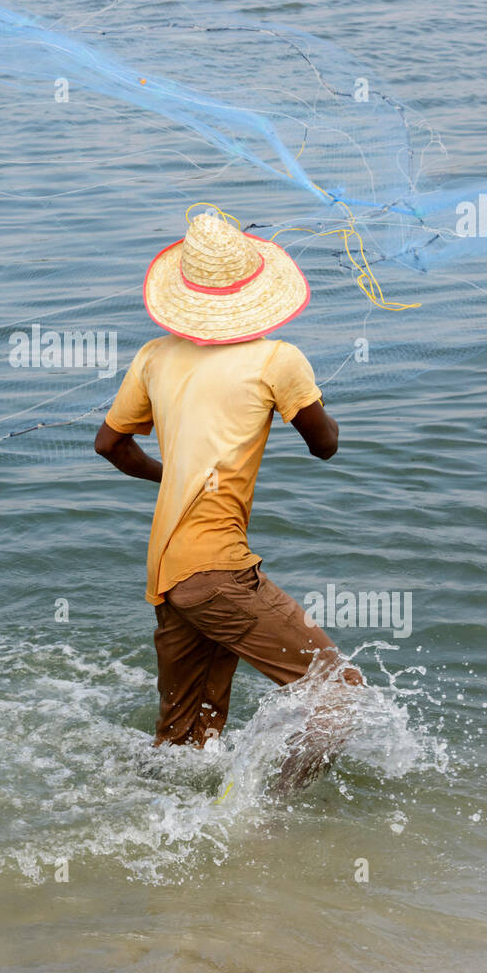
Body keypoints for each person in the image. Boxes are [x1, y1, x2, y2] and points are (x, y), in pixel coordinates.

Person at [94, 206, 362, 793]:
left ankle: (160, 835)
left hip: (169, 571)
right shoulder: (277, 359)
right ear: (257, 291)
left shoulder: (154, 356)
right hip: (217, 570)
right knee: (341, 695)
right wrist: (308, 399)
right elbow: (325, 445)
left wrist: (175, 478)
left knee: (186, 740)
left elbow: (111, 444)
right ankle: (264, 813)